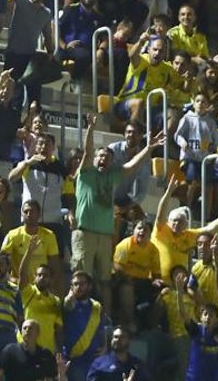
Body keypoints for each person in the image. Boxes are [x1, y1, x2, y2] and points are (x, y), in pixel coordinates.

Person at [72, 113, 164, 300]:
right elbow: (88, 151)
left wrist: (148, 148)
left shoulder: (112, 177)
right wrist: (90, 128)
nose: (103, 159)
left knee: (105, 281)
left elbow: (132, 165)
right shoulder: (86, 174)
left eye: (107, 157)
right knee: (81, 280)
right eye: (100, 156)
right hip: (86, 233)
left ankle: (104, 317)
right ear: (95, 159)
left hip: (105, 236)